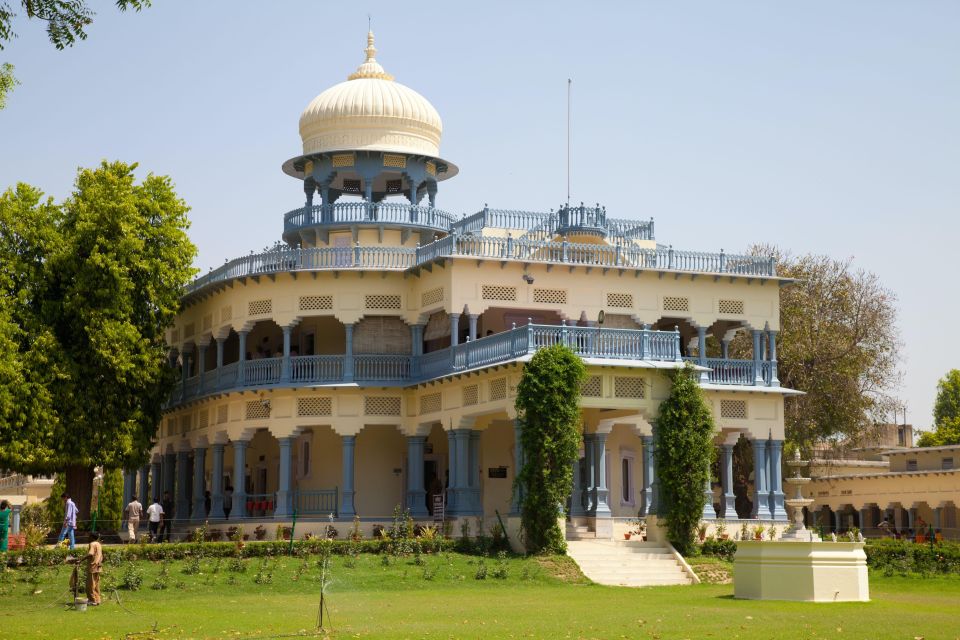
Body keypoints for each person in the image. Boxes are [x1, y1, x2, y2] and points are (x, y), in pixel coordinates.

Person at [82, 531, 103, 605]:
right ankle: (97, 600)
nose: (88, 538)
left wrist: (81, 560)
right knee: (96, 585)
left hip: (92, 567)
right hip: (98, 566)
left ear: (92, 537)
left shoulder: (92, 544)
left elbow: (90, 554)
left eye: (89, 536)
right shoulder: (99, 544)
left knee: (90, 585)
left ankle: (92, 600)